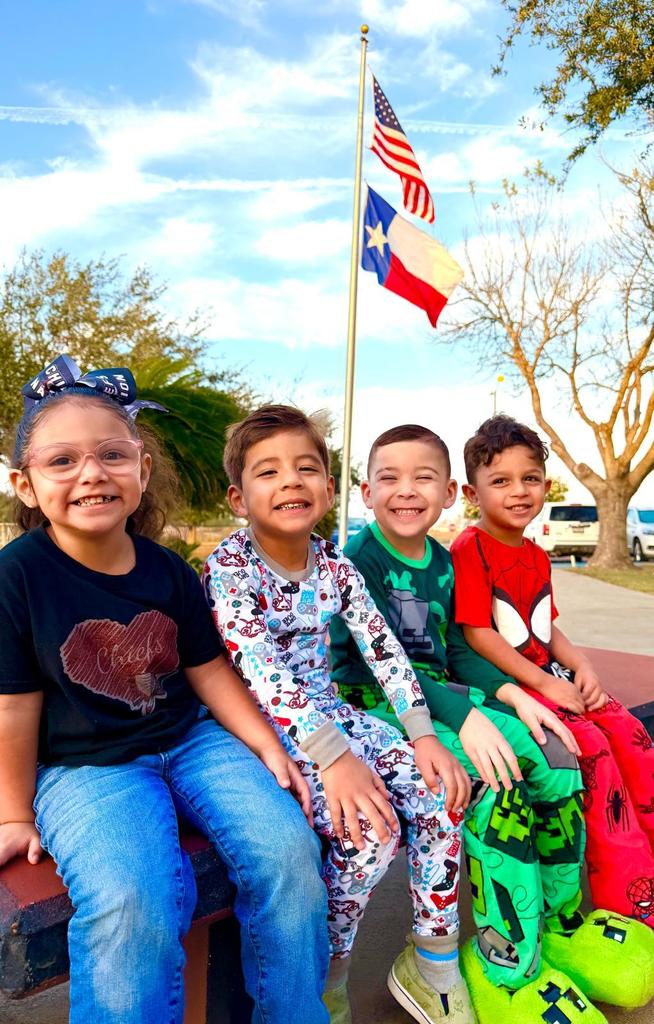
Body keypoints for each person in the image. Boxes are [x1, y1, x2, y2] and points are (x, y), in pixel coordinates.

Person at [0, 356, 329, 1024]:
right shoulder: (18, 575)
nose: (91, 473)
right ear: (24, 484)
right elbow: (13, 705)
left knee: (290, 852)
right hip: (84, 768)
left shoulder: (168, 571)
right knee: (134, 899)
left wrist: (267, 746)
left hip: (191, 740)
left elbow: (208, 670)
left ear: (142, 470)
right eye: (62, 461)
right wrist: (12, 812)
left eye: (112, 455)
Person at [329, 423, 654, 1018]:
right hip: (377, 706)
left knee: (555, 756)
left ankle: (557, 928)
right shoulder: (358, 562)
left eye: (423, 477)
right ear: (365, 491)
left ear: (449, 491)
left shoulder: (439, 564)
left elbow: (456, 651)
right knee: (496, 782)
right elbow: (384, 668)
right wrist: (466, 715)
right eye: (389, 478)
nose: (407, 490)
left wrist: (514, 695)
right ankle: (505, 960)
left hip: (443, 696)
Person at [204, 404, 476, 1024]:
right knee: (366, 833)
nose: (291, 481)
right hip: (261, 730)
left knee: (438, 793)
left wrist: (423, 735)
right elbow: (262, 675)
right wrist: (336, 761)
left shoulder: (333, 566)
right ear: (238, 498)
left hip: (332, 717)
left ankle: (432, 958)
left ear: (328, 489)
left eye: (306, 468)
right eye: (268, 472)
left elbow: (384, 649)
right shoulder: (231, 568)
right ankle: (328, 974)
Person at [450, 416, 654, 998]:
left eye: (531, 478)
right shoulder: (472, 548)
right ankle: (625, 895)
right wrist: (547, 683)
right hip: (507, 687)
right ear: (472, 492)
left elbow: (547, 624)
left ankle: (646, 870)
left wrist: (582, 668)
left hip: (551, 677)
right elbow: (480, 637)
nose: (519, 491)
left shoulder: (536, 555)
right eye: (501, 481)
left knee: (632, 736)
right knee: (589, 752)